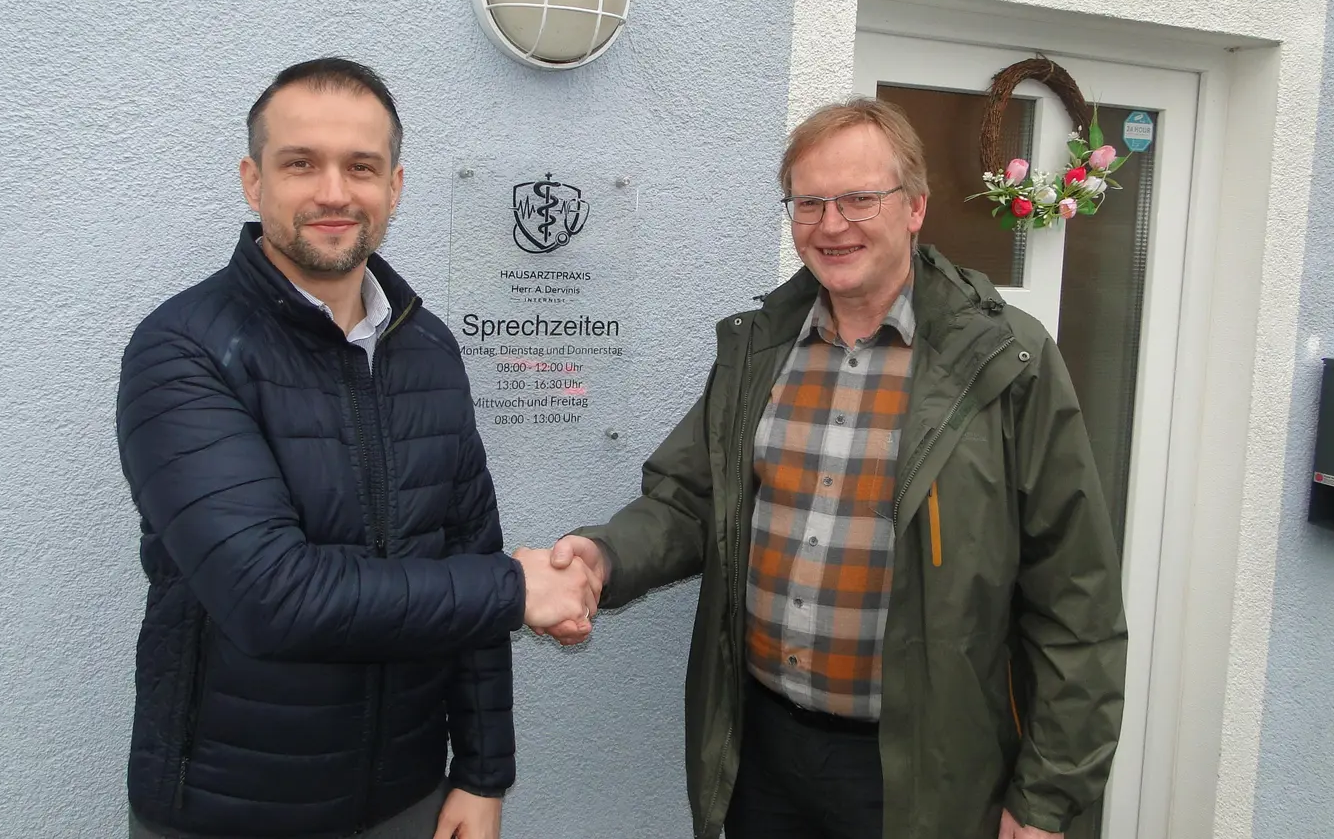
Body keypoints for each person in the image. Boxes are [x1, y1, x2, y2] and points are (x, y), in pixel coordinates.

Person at [545, 98, 1127, 839]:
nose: (831, 224)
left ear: (915, 208)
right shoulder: (758, 349)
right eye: (809, 203)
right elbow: (690, 500)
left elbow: (1075, 598)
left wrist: (1046, 800)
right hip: (765, 753)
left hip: (923, 770)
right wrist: (600, 557)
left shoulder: (1005, 361)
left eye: (859, 198)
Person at [116, 57, 599, 839]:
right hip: (230, 811)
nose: (334, 192)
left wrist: (482, 774)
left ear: (395, 188)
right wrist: (516, 589)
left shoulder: (429, 349)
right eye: (301, 163)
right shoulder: (184, 350)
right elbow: (271, 597)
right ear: (253, 180)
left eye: (361, 167)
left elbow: (468, 550)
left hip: (407, 801)